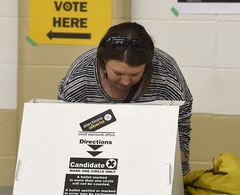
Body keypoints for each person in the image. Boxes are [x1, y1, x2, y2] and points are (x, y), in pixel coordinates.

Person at [58, 22, 193, 175]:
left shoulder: (166, 73)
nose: (126, 81)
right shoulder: (81, 75)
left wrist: (174, 157)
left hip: (153, 165)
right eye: (118, 73)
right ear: (102, 61)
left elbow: (181, 123)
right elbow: (65, 129)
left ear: (147, 65)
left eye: (135, 74)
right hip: (95, 166)